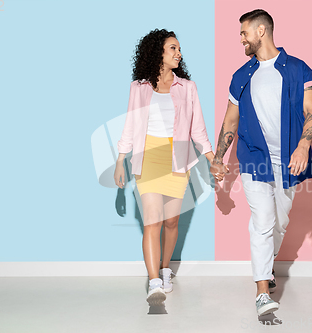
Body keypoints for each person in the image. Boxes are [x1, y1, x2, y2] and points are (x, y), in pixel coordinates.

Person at [210, 9, 312, 316]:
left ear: (261, 31)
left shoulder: (298, 69)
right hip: (254, 159)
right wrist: (219, 157)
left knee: (279, 223)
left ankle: (266, 268)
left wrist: (303, 145)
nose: (241, 39)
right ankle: (261, 290)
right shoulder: (241, 75)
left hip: (287, 161)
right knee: (262, 222)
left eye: (244, 33)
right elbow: (230, 120)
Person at [114, 29, 214, 306]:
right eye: (172, 48)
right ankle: (154, 280)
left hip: (177, 160)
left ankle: (166, 269)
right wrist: (121, 160)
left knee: (171, 222)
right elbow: (131, 126)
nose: (178, 53)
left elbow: (198, 128)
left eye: (179, 48)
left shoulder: (188, 88)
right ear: (157, 51)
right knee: (152, 221)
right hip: (148, 159)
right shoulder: (139, 87)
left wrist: (210, 156)